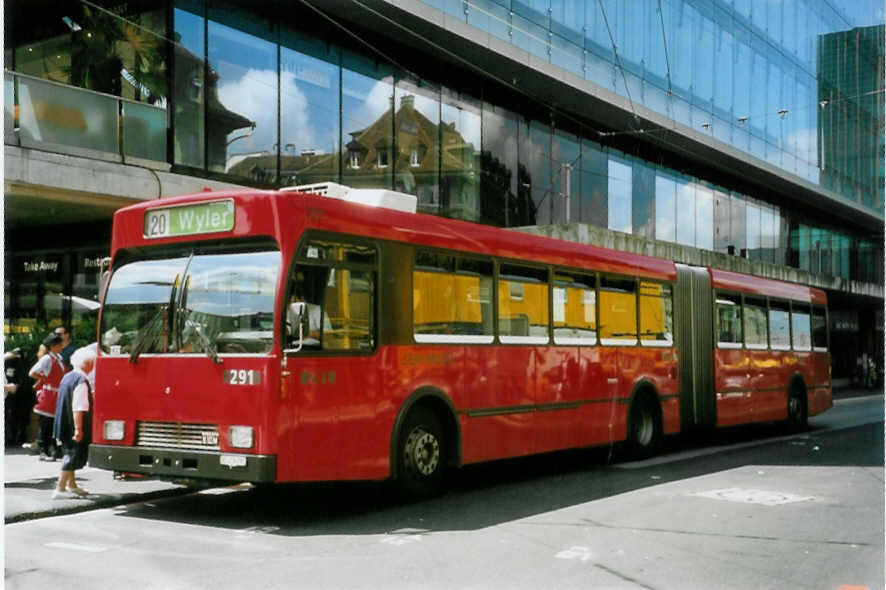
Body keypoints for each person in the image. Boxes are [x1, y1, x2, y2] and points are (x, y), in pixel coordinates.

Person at [51, 346, 96, 499]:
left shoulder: (68, 377)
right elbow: (79, 406)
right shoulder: (81, 381)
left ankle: (72, 485)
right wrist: (79, 429)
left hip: (62, 422)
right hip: (72, 425)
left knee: (69, 453)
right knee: (72, 455)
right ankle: (60, 488)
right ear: (88, 364)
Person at [29, 334, 67, 460]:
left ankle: (52, 449)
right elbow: (32, 372)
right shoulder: (47, 359)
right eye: (60, 345)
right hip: (49, 395)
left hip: (57, 395)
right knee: (45, 423)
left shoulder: (59, 358)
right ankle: (43, 450)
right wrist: (45, 378)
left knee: (53, 423)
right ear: (53, 346)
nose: (62, 347)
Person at [5, 347, 33, 446]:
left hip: (21, 394)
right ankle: (13, 437)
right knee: (12, 417)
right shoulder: (9, 363)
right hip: (13, 394)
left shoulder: (22, 364)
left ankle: (18, 436)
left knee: (18, 417)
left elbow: (25, 379)